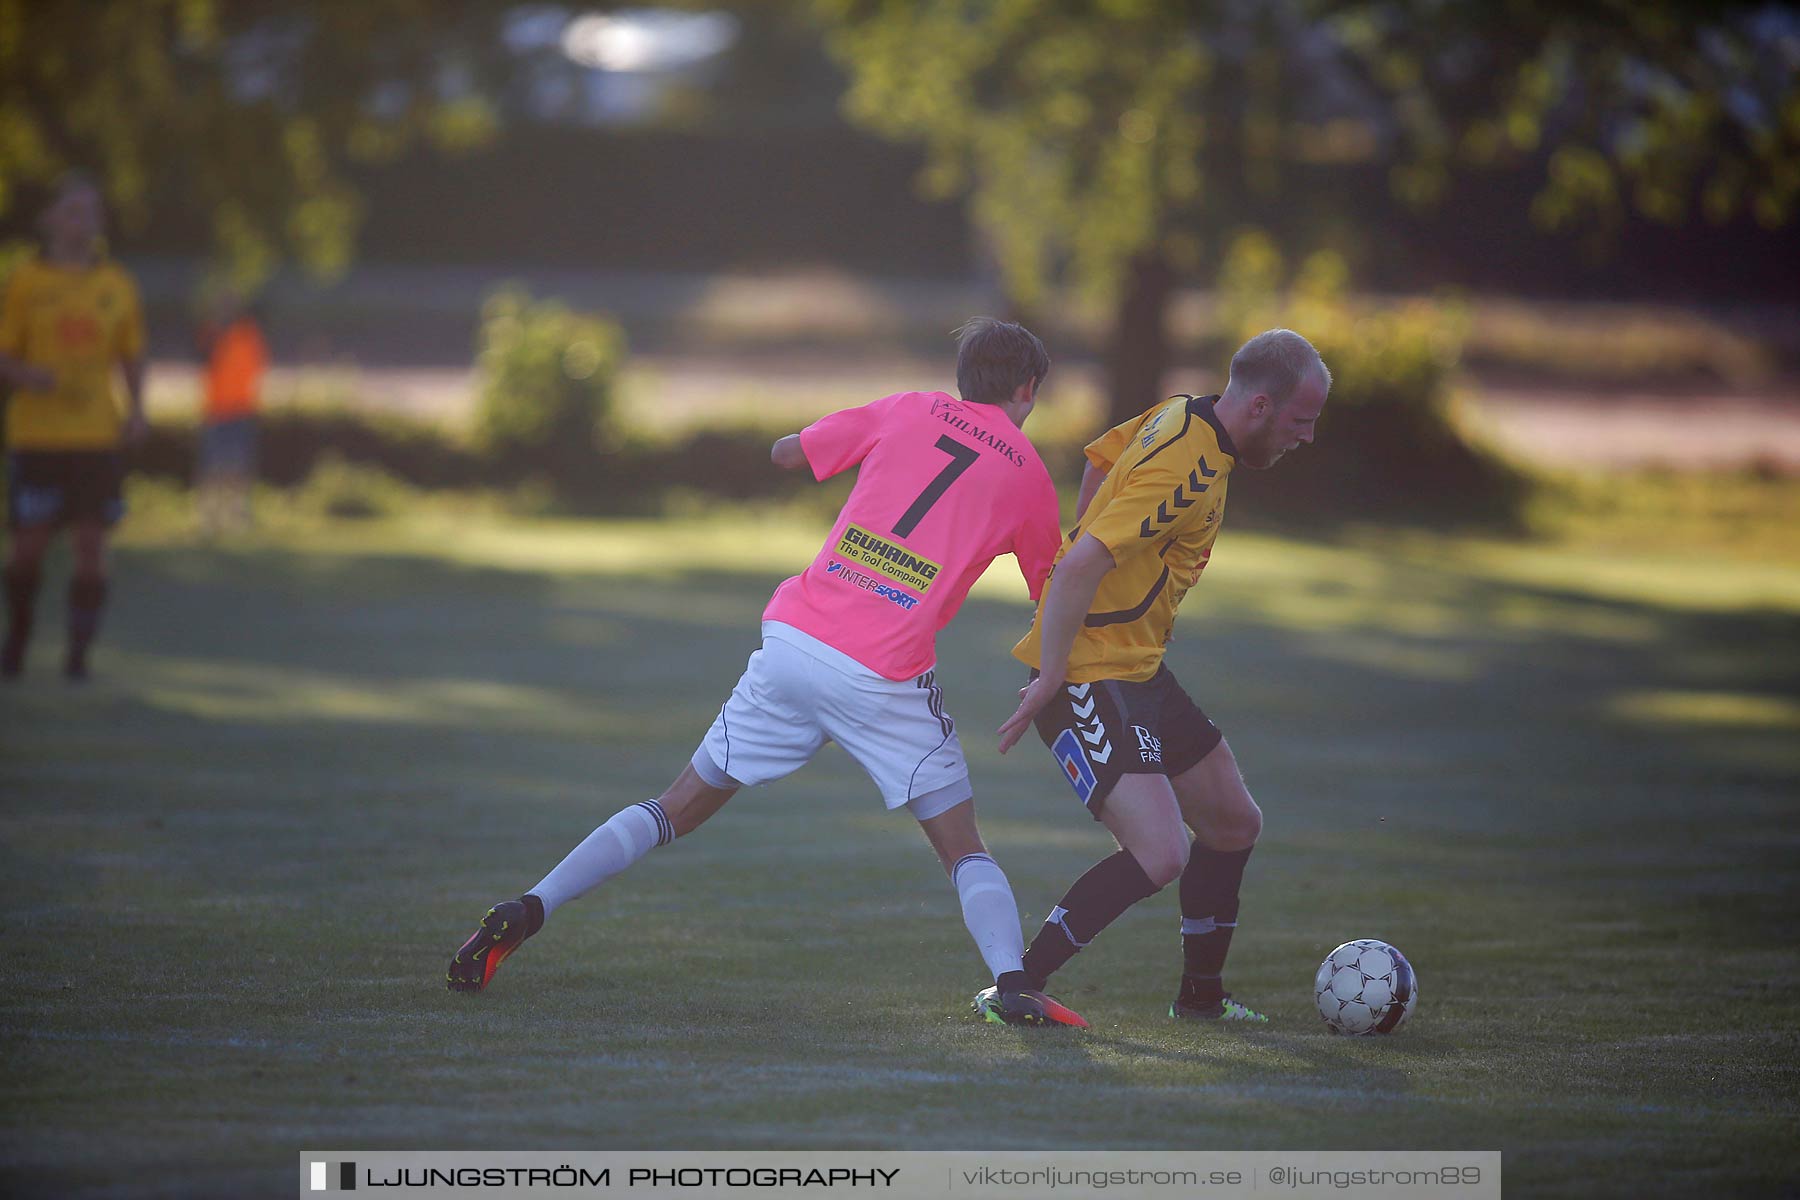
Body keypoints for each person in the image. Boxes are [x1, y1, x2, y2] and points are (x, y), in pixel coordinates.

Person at [448, 317, 1087, 1027]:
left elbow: (789, 453)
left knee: (672, 808)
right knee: (963, 847)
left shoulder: (908, 407)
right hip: (883, 673)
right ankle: (1013, 982)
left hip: (794, 641)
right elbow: (1052, 592)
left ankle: (527, 907)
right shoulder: (1028, 472)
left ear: (963, 379)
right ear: (1028, 389)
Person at [996, 328, 1330, 1022]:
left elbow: (1098, 461)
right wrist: (1055, 669)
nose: (1307, 437)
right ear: (1262, 408)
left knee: (1234, 822)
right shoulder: (1187, 464)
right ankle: (1015, 988)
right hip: (1089, 674)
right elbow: (1085, 561)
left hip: (1140, 670)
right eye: (1301, 422)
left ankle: (1201, 999)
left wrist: (1094, 552)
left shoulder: (1179, 412)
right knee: (1161, 851)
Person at [0, 173, 147, 681]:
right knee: (28, 549)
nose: (85, 222)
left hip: (95, 436)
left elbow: (131, 355)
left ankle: (78, 654)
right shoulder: (26, 282)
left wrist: (137, 409)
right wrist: (27, 375)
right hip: (37, 437)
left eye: (93, 212)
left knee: (91, 549)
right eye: (75, 211)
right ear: (51, 219)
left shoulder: (116, 285)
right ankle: (16, 641)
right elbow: (3, 354)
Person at [194, 291, 268, 534]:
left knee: (239, 466)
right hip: (216, 410)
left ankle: (237, 516)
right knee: (212, 467)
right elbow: (202, 359)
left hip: (241, 409)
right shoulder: (211, 332)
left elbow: (258, 366)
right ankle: (209, 517)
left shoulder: (248, 333)